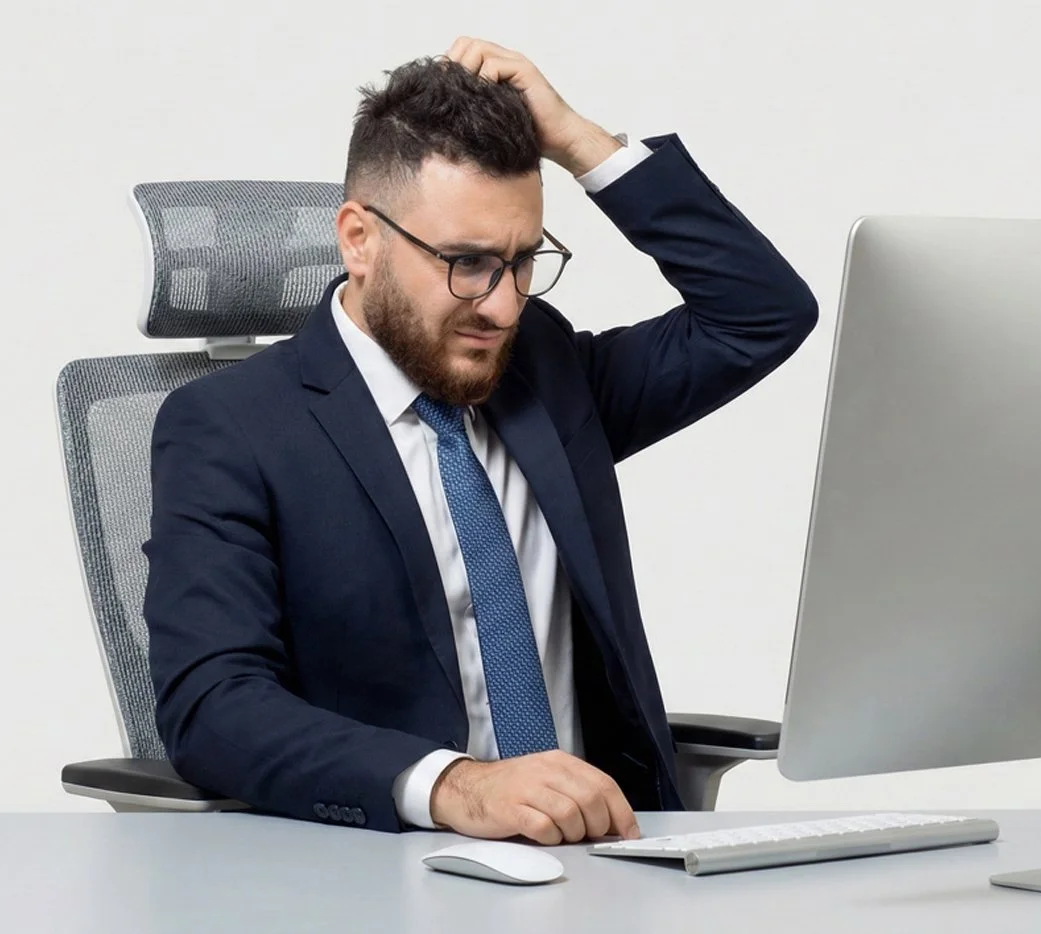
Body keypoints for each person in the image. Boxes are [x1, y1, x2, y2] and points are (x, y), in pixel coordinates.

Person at [143, 37, 818, 844]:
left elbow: (760, 313)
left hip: (611, 864)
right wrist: (455, 787)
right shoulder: (233, 428)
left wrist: (579, 144)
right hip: (393, 868)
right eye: (465, 264)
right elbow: (212, 706)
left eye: (523, 261)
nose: (501, 307)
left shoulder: (547, 374)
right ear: (358, 239)